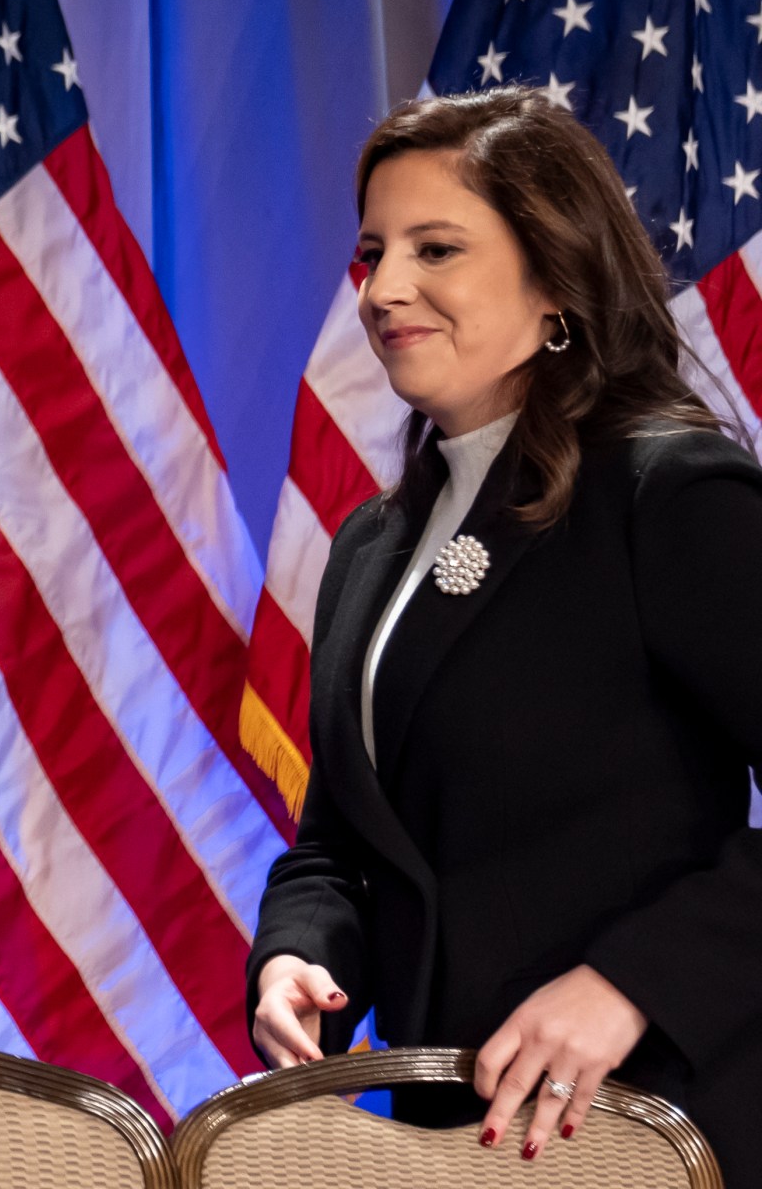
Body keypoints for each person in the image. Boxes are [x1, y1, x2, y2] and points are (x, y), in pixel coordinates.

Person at [248, 86, 762, 1181]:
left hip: (665, 1121)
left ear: (555, 284)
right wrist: (300, 956)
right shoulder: (370, 543)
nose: (384, 290)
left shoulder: (666, 493)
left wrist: (635, 981)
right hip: (450, 1138)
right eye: (375, 251)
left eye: (436, 249)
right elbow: (341, 841)